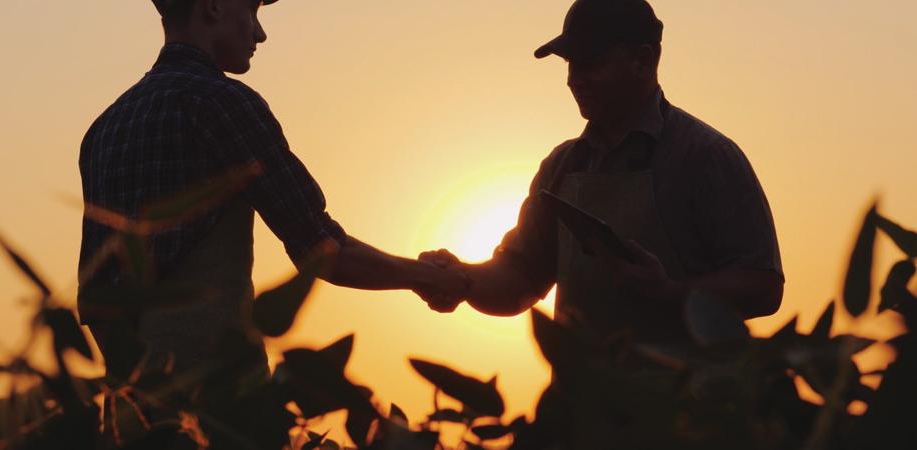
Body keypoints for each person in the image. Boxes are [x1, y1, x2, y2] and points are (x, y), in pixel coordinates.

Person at [77, 0, 465, 380]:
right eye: (252, 10)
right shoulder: (222, 103)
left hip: (129, 419)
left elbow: (93, 297)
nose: (260, 33)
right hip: (219, 408)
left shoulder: (103, 129)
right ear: (213, 7)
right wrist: (429, 278)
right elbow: (323, 251)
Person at [419, 0, 783, 347]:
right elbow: (519, 282)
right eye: (569, 64)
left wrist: (671, 293)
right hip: (581, 406)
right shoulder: (561, 166)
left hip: (685, 406)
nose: (573, 80)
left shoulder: (707, 157)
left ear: (644, 60)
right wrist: (461, 278)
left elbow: (764, 287)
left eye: (590, 63)